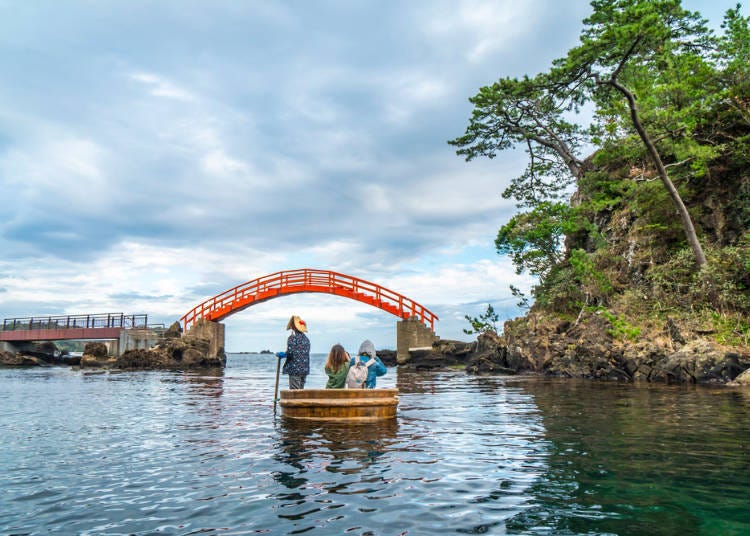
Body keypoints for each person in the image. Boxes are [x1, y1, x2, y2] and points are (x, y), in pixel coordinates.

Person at [276, 315, 310, 390]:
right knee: (300, 393)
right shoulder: (306, 339)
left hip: (295, 370)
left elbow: (290, 353)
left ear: (294, 327)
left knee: (294, 393)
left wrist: (283, 354)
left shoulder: (292, 338)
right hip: (304, 370)